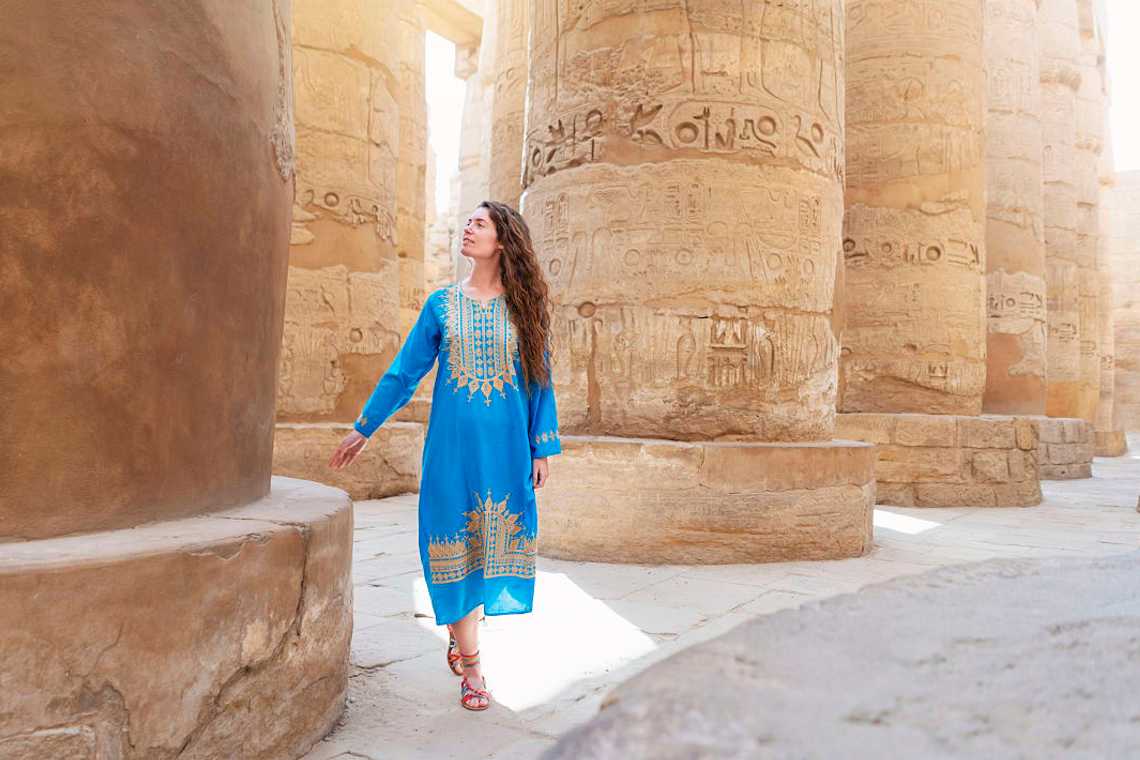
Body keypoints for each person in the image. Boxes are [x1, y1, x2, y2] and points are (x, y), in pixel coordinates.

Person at [328, 200, 561, 712]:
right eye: (468, 222)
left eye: (480, 223)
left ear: (502, 240)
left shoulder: (525, 309)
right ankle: (473, 667)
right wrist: (364, 427)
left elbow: (541, 382)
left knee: (488, 543)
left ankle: (464, 631)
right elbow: (404, 372)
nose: (468, 228)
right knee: (451, 541)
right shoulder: (440, 305)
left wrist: (542, 446)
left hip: (504, 451)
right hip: (451, 452)